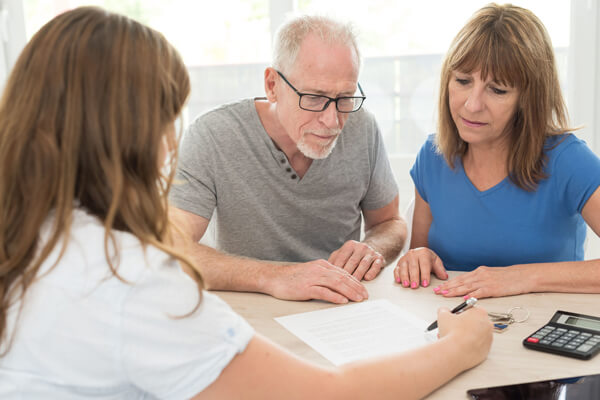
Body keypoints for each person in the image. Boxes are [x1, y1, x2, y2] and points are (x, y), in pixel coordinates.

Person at [0, 7, 493, 399]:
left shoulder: (31, 240)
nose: (169, 145)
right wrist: (461, 346)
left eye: (345, 99)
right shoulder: (136, 279)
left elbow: (387, 222)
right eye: (165, 120)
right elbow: (331, 394)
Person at [169, 15, 406, 304]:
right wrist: (276, 276)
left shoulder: (363, 127)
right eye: (315, 97)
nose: (333, 121)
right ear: (272, 85)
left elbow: (390, 222)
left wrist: (374, 247)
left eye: (345, 97)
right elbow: (172, 248)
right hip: (251, 313)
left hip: (340, 308)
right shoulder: (212, 135)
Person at [394, 3, 600, 299]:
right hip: (451, 329)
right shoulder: (432, 156)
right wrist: (419, 257)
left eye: (498, 90)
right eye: (463, 81)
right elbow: (420, 254)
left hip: (538, 332)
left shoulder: (568, 160)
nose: (472, 104)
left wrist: (524, 276)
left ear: (529, 98)